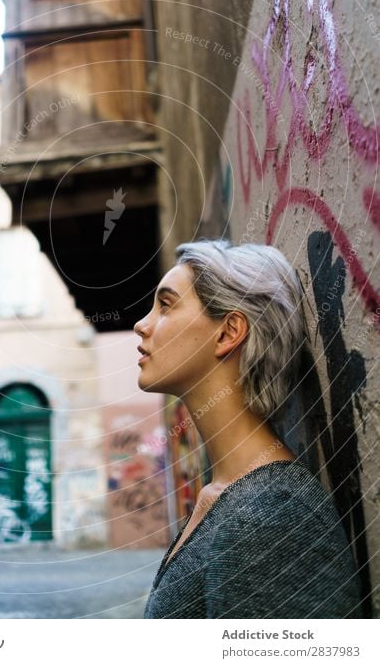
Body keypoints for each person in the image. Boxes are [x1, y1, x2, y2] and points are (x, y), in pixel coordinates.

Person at [134, 239, 363, 619]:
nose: (142, 325)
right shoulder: (225, 499)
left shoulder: (271, 519)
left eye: (167, 305)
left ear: (228, 333)